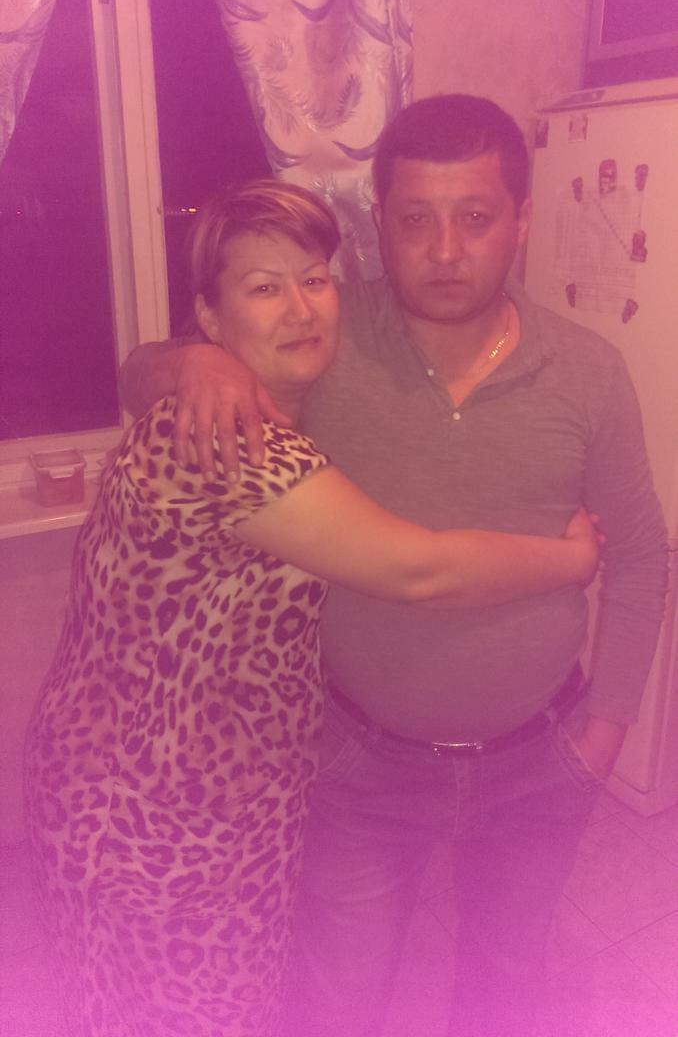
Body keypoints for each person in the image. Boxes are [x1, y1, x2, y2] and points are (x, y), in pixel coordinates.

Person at [118, 98, 668, 1037]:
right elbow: (138, 375)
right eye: (416, 219)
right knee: (340, 998)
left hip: (542, 756)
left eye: (475, 217)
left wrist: (609, 727)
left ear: (522, 222)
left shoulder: (590, 371)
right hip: (361, 763)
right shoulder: (328, 340)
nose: (445, 250)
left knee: (504, 981)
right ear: (381, 224)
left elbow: (647, 556)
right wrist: (193, 362)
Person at [24, 179, 602, 1037]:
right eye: (264, 288)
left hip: (182, 790)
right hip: (160, 810)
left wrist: (184, 361)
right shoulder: (228, 446)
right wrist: (572, 560)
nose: (300, 309)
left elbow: (140, 369)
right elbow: (416, 569)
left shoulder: (264, 405)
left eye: (314, 279)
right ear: (211, 318)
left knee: (155, 1002)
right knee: (194, 1014)